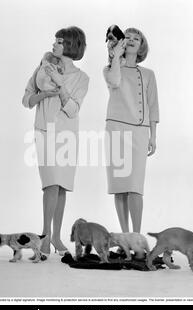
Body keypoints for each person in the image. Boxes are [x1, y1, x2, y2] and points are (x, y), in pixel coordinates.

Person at [22, 26, 89, 260]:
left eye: (59, 42)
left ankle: (57, 236)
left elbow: (72, 110)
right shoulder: (42, 67)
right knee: (50, 184)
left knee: (61, 187)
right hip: (44, 132)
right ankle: (46, 235)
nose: (54, 45)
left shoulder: (82, 78)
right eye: (55, 41)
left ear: (70, 46)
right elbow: (26, 99)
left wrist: (60, 85)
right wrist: (44, 95)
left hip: (67, 136)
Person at [103, 27, 159, 233]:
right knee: (120, 187)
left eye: (137, 38)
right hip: (116, 131)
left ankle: (136, 235)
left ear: (142, 45)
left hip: (140, 133)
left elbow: (153, 105)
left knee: (135, 187)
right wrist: (116, 55)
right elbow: (115, 81)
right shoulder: (109, 69)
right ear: (122, 43)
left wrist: (153, 136)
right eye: (128, 37)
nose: (133, 39)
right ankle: (125, 235)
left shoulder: (148, 74)